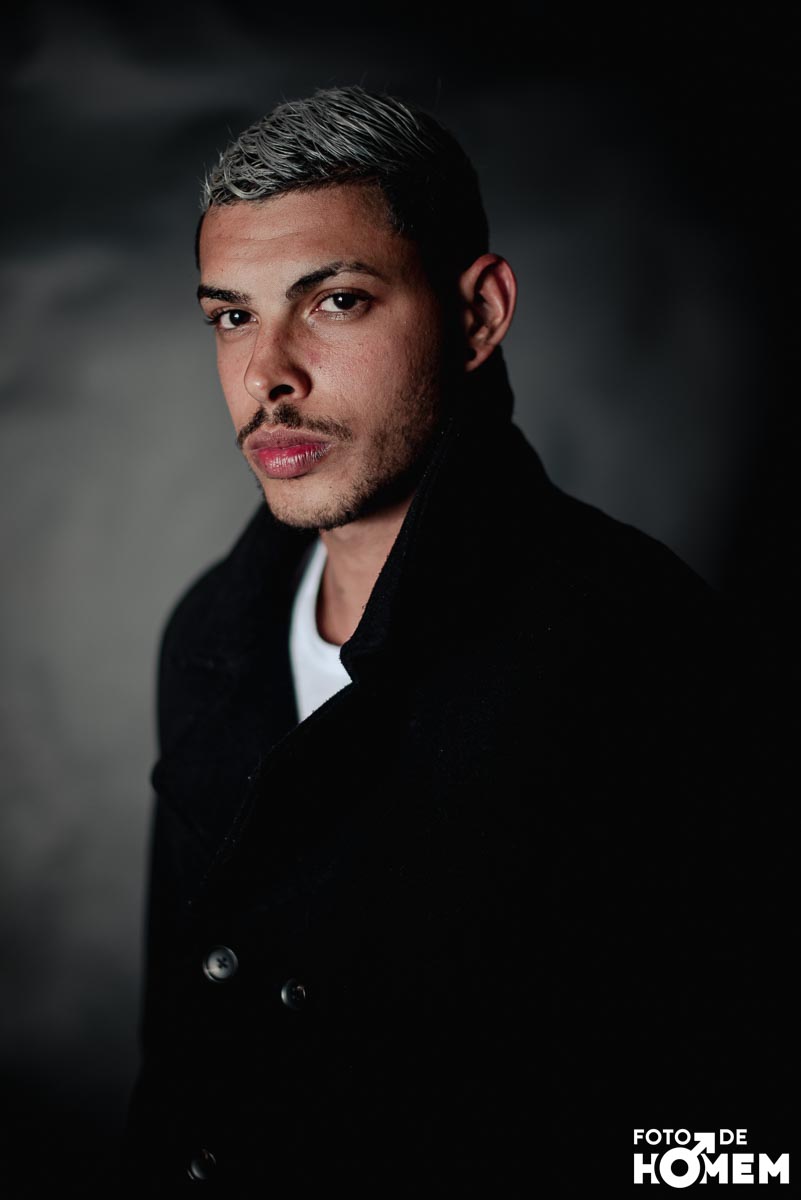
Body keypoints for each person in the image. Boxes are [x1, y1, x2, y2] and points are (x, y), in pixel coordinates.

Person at [123, 85, 790, 1193]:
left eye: (335, 301)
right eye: (232, 316)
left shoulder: (643, 649)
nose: (267, 374)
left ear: (477, 314)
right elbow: (178, 1066)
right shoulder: (209, 634)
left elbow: (737, 1130)